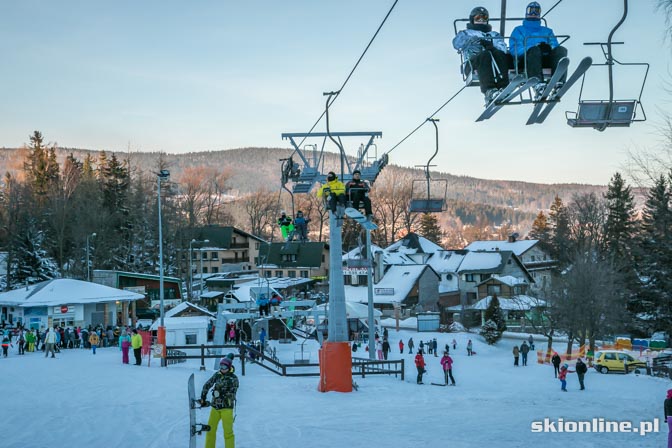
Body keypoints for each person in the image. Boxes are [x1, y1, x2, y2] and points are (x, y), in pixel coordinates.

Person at [509, 2, 568, 99]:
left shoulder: (547, 31)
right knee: (535, 51)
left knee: (561, 50)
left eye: (536, 11)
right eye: (530, 10)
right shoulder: (519, 30)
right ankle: (538, 84)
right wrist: (533, 48)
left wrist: (548, 48)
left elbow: (554, 45)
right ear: (526, 13)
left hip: (545, 59)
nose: (533, 13)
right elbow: (515, 49)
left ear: (539, 13)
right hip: (527, 60)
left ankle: (559, 82)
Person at [452, 6, 510, 104]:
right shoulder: (466, 33)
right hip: (472, 63)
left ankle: (503, 86)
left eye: (484, 18)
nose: (481, 20)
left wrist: (491, 45)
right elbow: (456, 44)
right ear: (472, 19)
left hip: (493, 63)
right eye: (478, 18)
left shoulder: (493, 34)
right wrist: (470, 41)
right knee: (485, 55)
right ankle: (489, 90)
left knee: (500, 54)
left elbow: (502, 48)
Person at [201, 357, 239, 448]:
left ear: (229, 367)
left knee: (228, 433)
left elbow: (232, 393)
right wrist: (203, 396)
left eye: (224, 367)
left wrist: (219, 394)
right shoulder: (217, 375)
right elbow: (207, 384)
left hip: (226, 408)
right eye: (221, 366)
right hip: (215, 407)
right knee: (210, 430)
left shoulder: (233, 378)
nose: (222, 369)